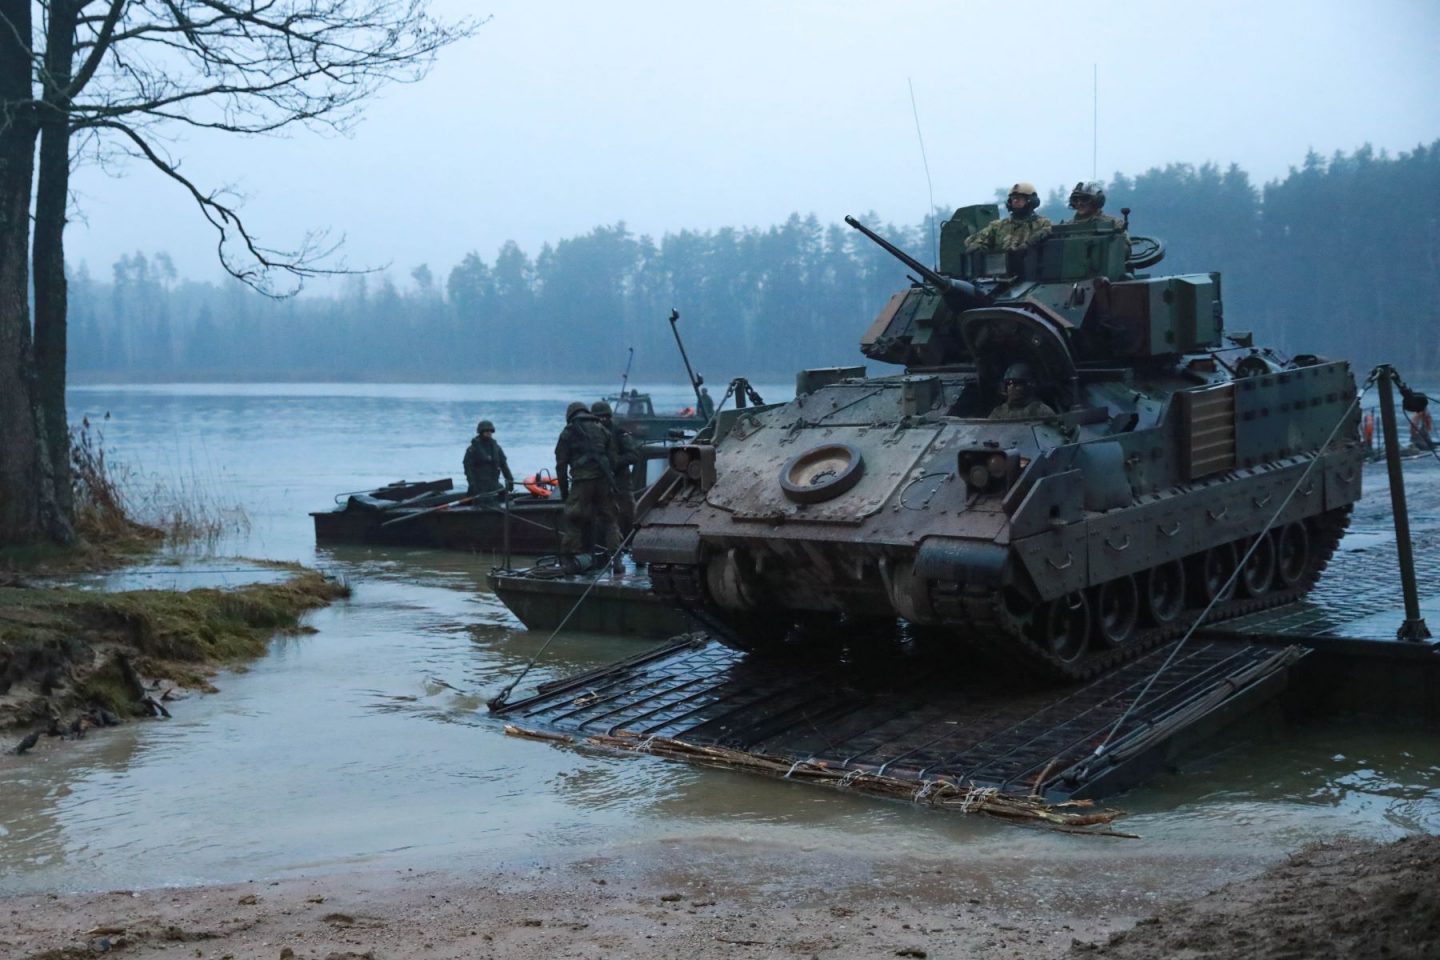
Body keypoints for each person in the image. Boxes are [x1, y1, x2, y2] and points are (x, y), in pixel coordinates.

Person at [555, 400, 621, 574]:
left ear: (570, 415)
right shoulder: (602, 429)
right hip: (604, 482)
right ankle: (617, 561)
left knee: (573, 518)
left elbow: (561, 465)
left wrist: (564, 492)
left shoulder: (568, 432)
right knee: (610, 520)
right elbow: (612, 458)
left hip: (582, 482)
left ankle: (570, 561)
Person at [592, 399, 641, 537]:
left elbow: (633, 455)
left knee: (628, 515)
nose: (601, 420)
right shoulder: (590, 433)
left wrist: (615, 463)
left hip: (621, 482)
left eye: (604, 417)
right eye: (598, 417)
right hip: (599, 483)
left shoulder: (618, 432)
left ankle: (630, 542)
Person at [964, 182, 1053, 253]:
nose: (1015, 201)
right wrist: (978, 246)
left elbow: (1048, 231)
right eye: (1013, 198)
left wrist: (1029, 243)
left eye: (1019, 198)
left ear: (1031, 201)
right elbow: (972, 240)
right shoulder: (998, 226)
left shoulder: (1042, 223)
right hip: (1001, 271)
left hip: (1030, 269)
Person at [462, 419, 514, 498]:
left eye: (490, 431)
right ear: (481, 432)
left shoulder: (496, 448)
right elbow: (468, 469)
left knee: (506, 496)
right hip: (478, 486)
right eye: (486, 431)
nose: (489, 433)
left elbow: (504, 466)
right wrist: (472, 484)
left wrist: (510, 481)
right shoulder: (472, 449)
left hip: (493, 484)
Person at [989, 363, 1056, 420]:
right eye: (1008, 383)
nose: (1012, 387)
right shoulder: (999, 412)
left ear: (1028, 385)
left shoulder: (1041, 411)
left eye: (1017, 383)